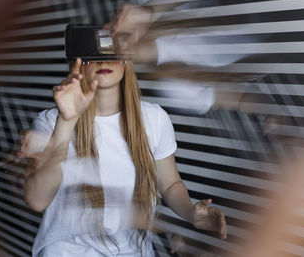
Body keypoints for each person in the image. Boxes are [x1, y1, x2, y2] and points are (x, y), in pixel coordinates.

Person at [24, 57, 227, 257]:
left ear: (126, 60)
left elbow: (170, 184)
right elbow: (37, 199)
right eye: (91, 56)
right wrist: (66, 121)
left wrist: (191, 213)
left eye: (111, 52)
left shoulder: (154, 119)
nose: (102, 62)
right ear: (77, 63)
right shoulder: (51, 121)